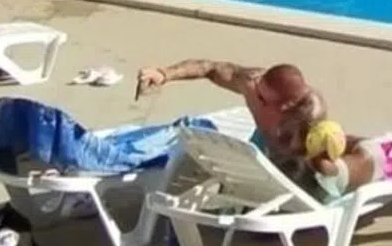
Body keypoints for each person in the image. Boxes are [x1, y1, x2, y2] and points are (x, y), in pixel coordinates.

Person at [135, 57, 328, 179]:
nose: (257, 100)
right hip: (259, 149)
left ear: (286, 106)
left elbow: (322, 159)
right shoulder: (254, 84)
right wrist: (163, 74)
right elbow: (210, 68)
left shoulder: (309, 117)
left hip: (295, 169)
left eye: (263, 99)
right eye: (258, 92)